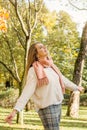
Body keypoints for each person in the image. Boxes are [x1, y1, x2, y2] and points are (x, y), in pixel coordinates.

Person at [5, 42, 84, 130]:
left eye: (44, 46)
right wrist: (15, 111)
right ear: (36, 54)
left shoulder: (50, 66)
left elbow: (62, 79)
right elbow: (27, 92)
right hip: (47, 107)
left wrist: (76, 87)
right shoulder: (34, 70)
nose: (45, 48)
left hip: (57, 104)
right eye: (41, 47)